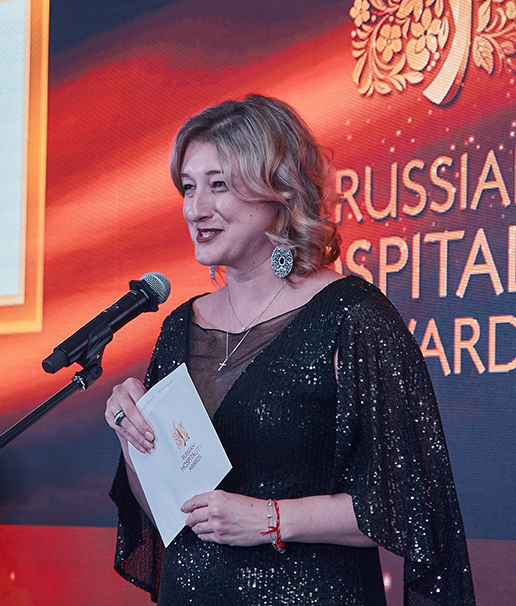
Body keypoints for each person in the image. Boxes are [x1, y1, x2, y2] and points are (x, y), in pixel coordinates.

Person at [105, 95, 474, 605]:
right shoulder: (179, 327)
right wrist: (132, 436)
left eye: (219, 185)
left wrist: (270, 519)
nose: (195, 209)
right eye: (188, 187)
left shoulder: (353, 316)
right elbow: (165, 511)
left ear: (279, 190)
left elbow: (409, 503)